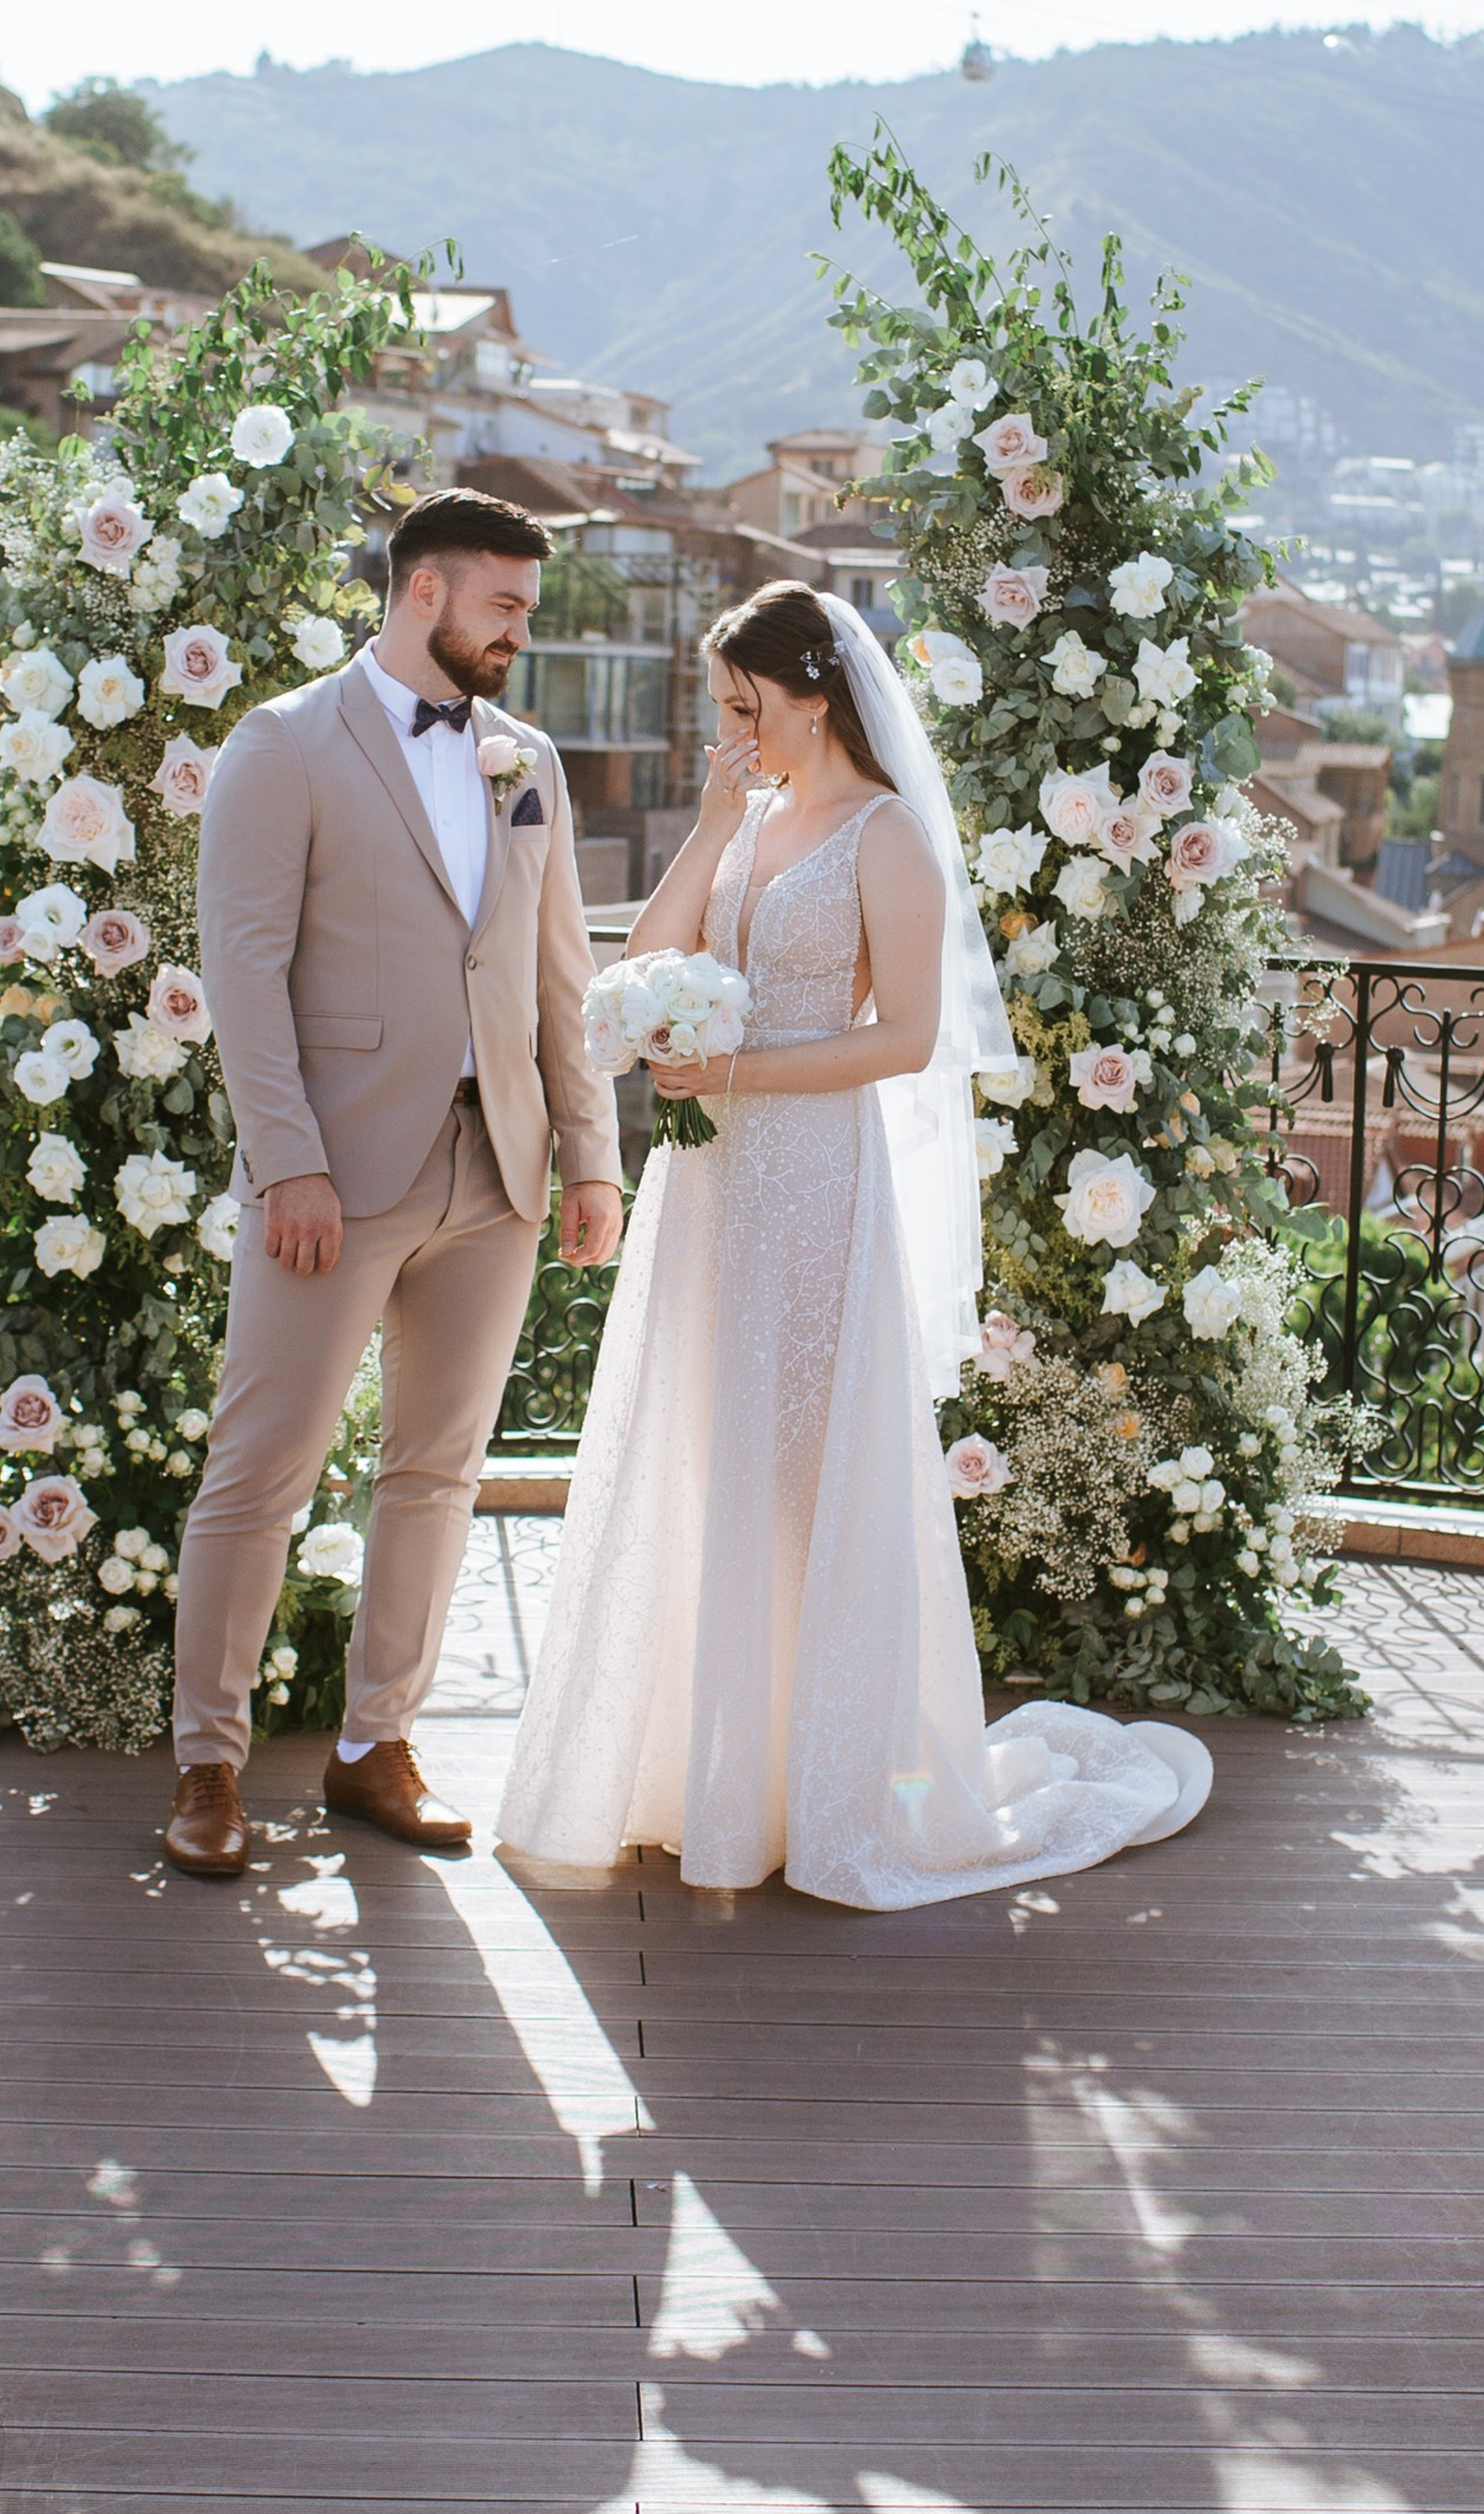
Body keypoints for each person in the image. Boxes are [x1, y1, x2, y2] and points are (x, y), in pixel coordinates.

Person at [496, 581, 1212, 1908]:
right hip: (708, 1185)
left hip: (816, 1176)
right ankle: (701, 1782)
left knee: (805, 1473)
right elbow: (644, 957)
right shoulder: (751, 819)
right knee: (705, 1452)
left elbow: (909, 1041)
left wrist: (741, 1073)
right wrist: (708, 831)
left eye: (741, 705)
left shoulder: (885, 835)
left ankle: (832, 1792)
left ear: (811, 697)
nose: (729, 728)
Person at [161, 487, 624, 1878]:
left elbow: (560, 971)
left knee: (435, 1474)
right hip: (336, 1180)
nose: (518, 636)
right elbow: (241, 967)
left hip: (498, 1177)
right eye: (504, 607)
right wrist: (287, 1161)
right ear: (424, 591)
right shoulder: (285, 743)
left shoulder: (523, 756)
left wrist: (591, 1158)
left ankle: (375, 1748)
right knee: (261, 1475)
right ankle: (208, 1767)